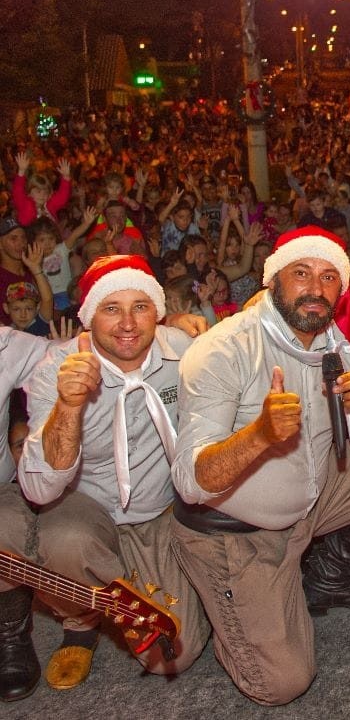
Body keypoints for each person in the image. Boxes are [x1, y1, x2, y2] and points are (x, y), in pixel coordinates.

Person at [170, 226, 350, 706]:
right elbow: (190, 482)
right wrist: (259, 436)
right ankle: (227, 600)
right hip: (238, 534)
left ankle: (323, 580)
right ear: (272, 280)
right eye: (301, 273)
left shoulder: (340, 342)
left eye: (328, 277)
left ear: (341, 289)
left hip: (309, 497)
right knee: (282, 683)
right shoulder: (224, 349)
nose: (315, 288)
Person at [1, 255, 210, 698]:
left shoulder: (183, 349)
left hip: (158, 510)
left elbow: (242, 346)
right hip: (87, 507)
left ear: (158, 312)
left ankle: (135, 591)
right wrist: (69, 406)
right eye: (111, 308)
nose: (128, 323)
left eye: (141, 306)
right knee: (63, 539)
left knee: (173, 655)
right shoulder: (57, 367)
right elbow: (37, 488)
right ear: (89, 317)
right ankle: (81, 619)